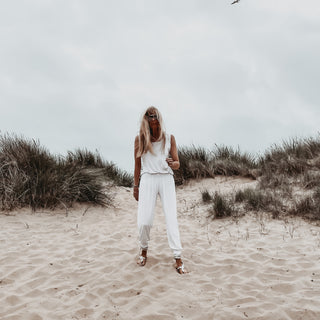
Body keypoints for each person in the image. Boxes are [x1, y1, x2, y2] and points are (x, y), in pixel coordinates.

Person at [133, 106, 186, 274]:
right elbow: (137, 166)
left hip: (166, 178)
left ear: (159, 117)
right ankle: (143, 249)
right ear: (145, 119)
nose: (152, 118)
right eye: (149, 116)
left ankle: (178, 258)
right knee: (144, 221)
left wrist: (173, 163)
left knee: (171, 219)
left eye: (154, 115)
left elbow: (177, 164)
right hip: (147, 178)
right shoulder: (140, 139)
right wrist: (136, 186)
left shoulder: (169, 138)